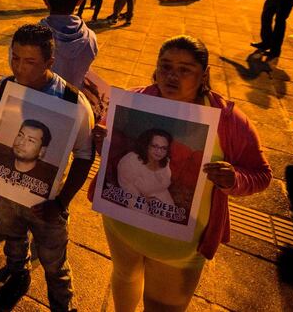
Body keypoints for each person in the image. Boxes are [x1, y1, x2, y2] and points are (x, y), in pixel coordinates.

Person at [91, 35, 271, 312]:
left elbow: (261, 174)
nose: (171, 76)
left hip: (177, 247)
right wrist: (104, 140)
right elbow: (118, 156)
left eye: (184, 69)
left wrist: (234, 179)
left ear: (204, 74)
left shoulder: (228, 120)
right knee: (124, 277)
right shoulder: (137, 99)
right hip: (122, 227)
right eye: (165, 66)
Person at [0, 23, 94, 310]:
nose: (19, 67)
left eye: (30, 61)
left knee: (55, 262)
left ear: (49, 62)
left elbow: (85, 156)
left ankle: (62, 303)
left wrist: (62, 202)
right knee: (12, 239)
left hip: (47, 203)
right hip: (5, 194)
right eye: (14, 57)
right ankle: (18, 273)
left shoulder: (72, 101)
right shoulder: (3, 88)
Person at [40, 0, 98, 89]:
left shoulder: (30, 37)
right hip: (72, 98)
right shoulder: (90, 38)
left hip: (39, 100)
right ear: (80, 0)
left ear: (45, 0)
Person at [117, 129, 176, 214]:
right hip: (136, 201)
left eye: (164, 148)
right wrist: (147, 201)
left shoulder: (165, 161)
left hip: (162, 202)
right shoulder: (130, 161)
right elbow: (129, 191)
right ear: (146, 145)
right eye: (155, 146)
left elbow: (164, 185)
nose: (159, 151)